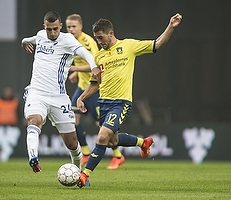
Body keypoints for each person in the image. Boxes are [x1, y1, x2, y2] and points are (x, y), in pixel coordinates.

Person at [76, 13, 183, 187]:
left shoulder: (129, 46)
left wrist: (171, 26)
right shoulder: (99, 57)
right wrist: (81, 98)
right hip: (103, 104)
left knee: (102, 137)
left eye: (101, 38)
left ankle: (84, 175)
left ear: (111, 33)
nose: (99, 42)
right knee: (113, 142)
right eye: (96, 38)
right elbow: (95, 84)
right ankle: (143, 142)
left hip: (121, 103)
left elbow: (158, 44)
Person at [21, 11, 101, 174]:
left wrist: (93, 67)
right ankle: (33, 157)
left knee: (72, 143)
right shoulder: (41, 35)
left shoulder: (67, 40)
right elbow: (31, 39)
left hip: (59, 97)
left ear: (60, 27)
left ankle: (77, 172)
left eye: (55, 29)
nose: (52, 33)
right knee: (34, 120)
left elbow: (86, 54)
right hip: (37, 92)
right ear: (44, 27)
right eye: (49, 29)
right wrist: (24, 42)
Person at [66, 14, 125, 169]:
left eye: (73, 27)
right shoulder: (71, 41)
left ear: (80, 27)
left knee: (102, 126)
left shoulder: (88, 42)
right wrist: (76, 73)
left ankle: (117, 155)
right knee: (74, 121)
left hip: (94, 89)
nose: (70, 30)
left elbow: (95, 66)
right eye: (68, 27)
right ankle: (85, 153)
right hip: (81, 87)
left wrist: (74, 68)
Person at [0, 85, 21, 162]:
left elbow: (19, 114)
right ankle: (2, 156)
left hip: (12, 127)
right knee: (0, 142)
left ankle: (2, 157)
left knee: (9, 143)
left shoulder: (15, 101)